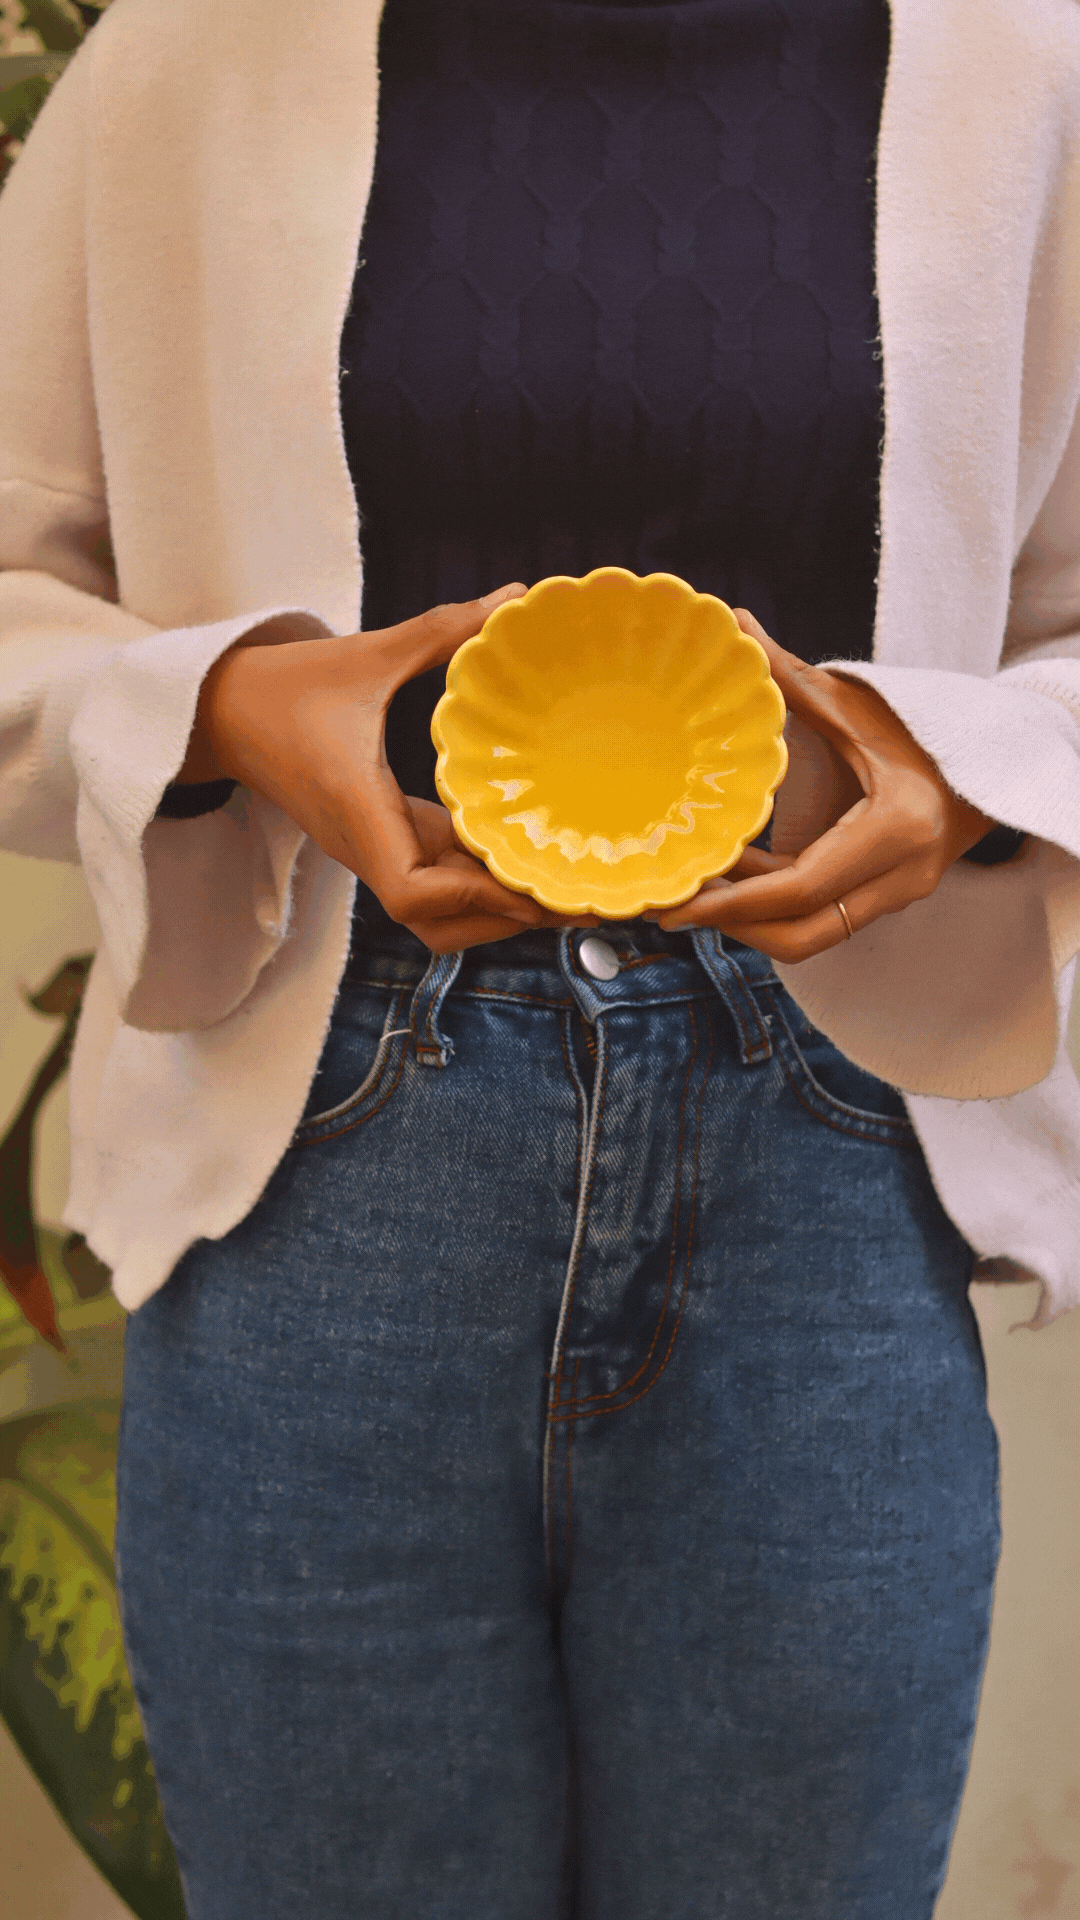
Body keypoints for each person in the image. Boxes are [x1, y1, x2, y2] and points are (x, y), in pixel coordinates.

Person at [1, 0, 1078, 1914]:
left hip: (828, 1166)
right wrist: (227, 707)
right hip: (317, 1166)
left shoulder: (1023, 65)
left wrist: (960, 774)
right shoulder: (187, 61)